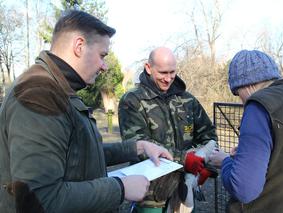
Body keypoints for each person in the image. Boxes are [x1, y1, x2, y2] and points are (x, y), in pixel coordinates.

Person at [0, 10, 173, 213]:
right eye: (102, 55)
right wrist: (120, 187)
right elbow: (40, 198)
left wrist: (139, 147)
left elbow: (80, 155)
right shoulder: (39, 93)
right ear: (79, 46)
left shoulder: (59, 87)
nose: (104, 66)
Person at [209, 49, 283, 212]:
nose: (241, 100)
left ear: (245, 85)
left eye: (237, 93)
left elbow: (244, 188)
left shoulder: (260, 105)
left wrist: (225, 161)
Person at [118, 47, 218, 212]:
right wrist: (185, 158)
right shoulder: (133, 100)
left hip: (184, 190)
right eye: (163, 72)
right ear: (148, 68)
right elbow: (137, 145)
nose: (168, 78)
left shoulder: (187, 99)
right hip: (150, 194)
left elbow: (209, 135)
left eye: (172, 72)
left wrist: (205, 163)